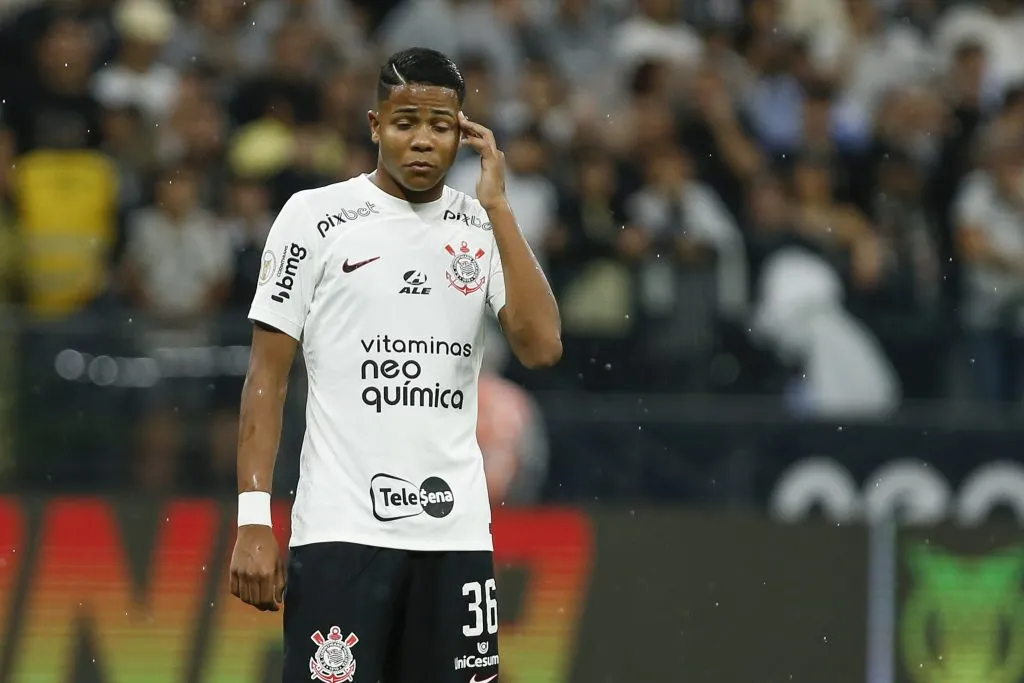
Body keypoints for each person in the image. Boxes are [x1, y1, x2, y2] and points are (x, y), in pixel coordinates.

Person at [227, 47, 562, 683]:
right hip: (342, 532)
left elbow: (542, 346)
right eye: (405, 122)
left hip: (455, 536)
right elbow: (265, 377)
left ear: (463, 134)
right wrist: (252, 518)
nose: (422, 141)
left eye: (440, 126)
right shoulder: (313, 218)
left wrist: (499, 207)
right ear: (375, 124)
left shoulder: (480, 225)